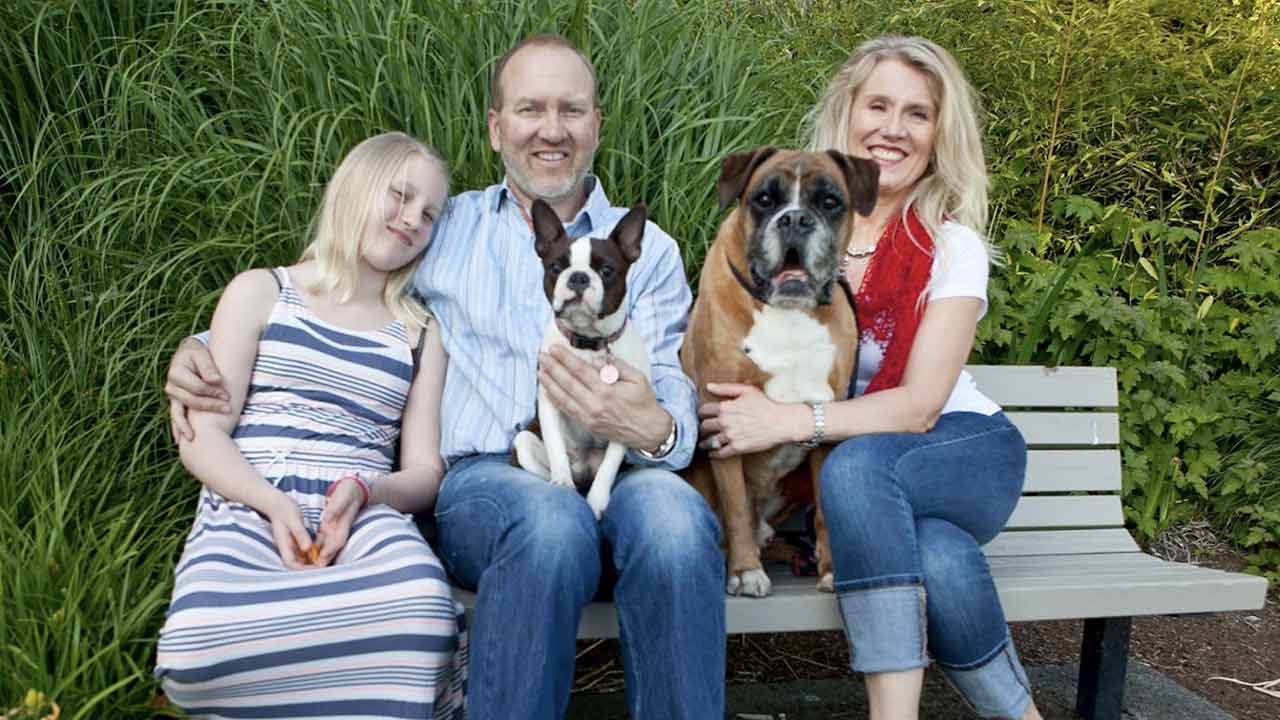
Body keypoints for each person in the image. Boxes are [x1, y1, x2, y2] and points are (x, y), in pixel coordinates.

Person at [164, 35, 725, 720]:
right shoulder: (446, 227)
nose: (552, 130)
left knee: (676, 522)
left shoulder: (649, 250)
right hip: (488, 479)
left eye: (571, 111)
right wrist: (201, 349)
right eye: (530, 109)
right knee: (548, 522)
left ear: (596, 124)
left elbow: (673, 387)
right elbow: (335, 294)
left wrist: (656, 429)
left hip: (625, 470)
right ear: (496, 127)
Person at [697, 35, 1044, 720]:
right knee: (938, 557)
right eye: (878, 105)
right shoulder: (790, 231)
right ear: (847, 111)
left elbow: (918, 408)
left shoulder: (950, 245)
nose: (893, 128)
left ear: (940, 135)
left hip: (961, 448)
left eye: (917, 114)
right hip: (873, 481)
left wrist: (794, 422)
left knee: (855, 469)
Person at [155, 132, 467, 719]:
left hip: (362, 505)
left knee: (423, 612)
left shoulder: (421, 332)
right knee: (196, 647)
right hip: (248, 494)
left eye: (428, 214)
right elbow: (203, 435)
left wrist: (367, 491)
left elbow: (424, 471)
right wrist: (272, 504)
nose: (410, 221)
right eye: (398, 197)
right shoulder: (263, 292)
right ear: (355, 187)